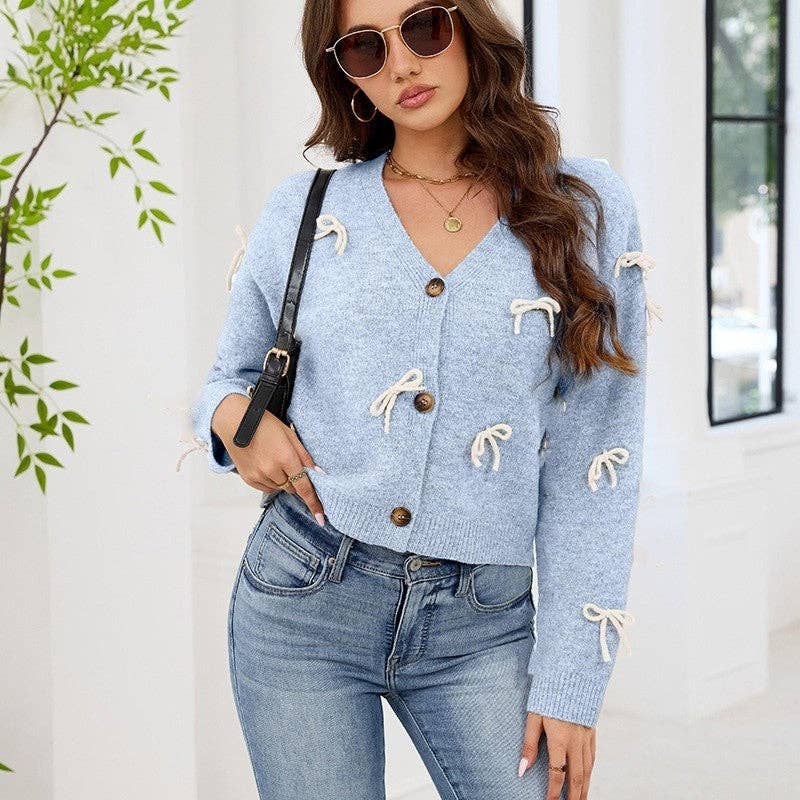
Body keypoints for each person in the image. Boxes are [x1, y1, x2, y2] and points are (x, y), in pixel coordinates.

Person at [191, 1, 655, 798]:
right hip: (305, 595)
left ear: (468, 25)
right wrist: (234, 422)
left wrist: (572, 679)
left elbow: (596, 461)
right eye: (365, 48)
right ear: (346, 75)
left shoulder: (583, 206)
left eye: (424, 27)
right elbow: (225, 383)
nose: (402, 63)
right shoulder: (308, 208)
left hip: (484, 621)